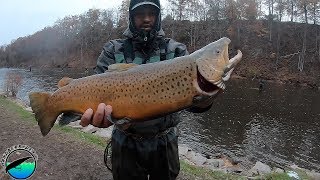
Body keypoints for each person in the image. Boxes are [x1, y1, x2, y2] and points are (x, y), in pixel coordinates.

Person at [62, 0, 214, 179]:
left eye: (152, 13)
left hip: (165, 142)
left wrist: (207, 98)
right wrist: (101, 119)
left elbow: (193, 104)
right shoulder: (113, 50)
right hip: (126, 141)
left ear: (158, 17)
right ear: (131, 17)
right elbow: (98, 95)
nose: (147, 19)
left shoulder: (176, 51)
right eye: (140, 14)